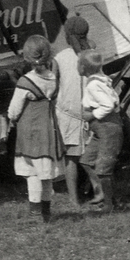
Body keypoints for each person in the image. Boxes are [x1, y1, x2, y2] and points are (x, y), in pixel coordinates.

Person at [6, 34, 65, 224]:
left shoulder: (25, 82)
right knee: (46, 173)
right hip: (49, 130)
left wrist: (12, 118)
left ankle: (34, 214)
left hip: (30, 133)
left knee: (32, 174)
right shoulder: (53, 79)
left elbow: (13, 111)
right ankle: (46, 212)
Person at [54, 16, 92, 206]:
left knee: (71, 159)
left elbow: (54, 85)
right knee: (89, 157)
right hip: (88, 115)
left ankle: (74, 199)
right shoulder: (93, 55)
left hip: (68, 115)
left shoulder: (60, 58)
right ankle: (91, 191)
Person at [79, 49, 122, 210]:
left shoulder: (94, 85)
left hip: (108, 128)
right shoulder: (101, 81)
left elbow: (108, 105)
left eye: (79, 64)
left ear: (84, 67)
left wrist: (93, 115)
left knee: (103, 168)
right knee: (87, 161)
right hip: (100, 130)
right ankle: (102, 192)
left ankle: (110, 204)